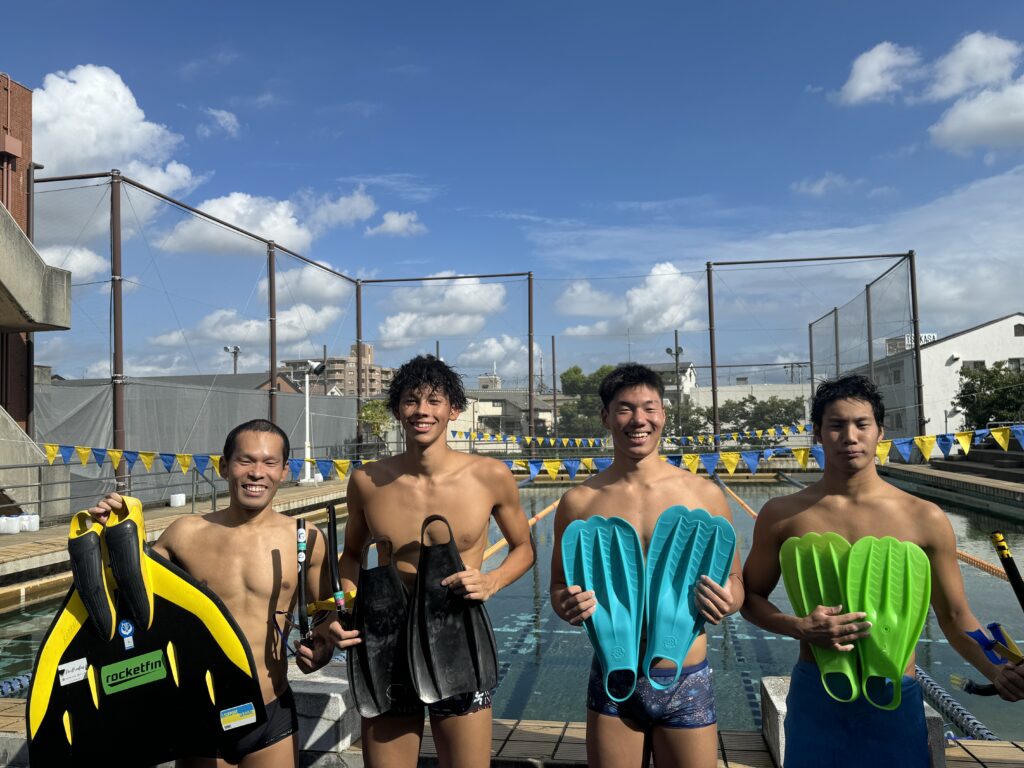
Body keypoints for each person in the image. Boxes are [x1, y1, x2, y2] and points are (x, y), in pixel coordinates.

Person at [741, 374, 1024, 768]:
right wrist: (798, 626)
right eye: (836, 425)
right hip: (817, 693)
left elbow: (956, 615)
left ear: (880, 432)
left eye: (862, 424)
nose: (850, 437)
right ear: (817, 434)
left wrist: (997, 670)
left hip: (896, 696)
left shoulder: (924, 517)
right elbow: (750, 598)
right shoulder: (783, 514)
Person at [89, 418, 357, 768]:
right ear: (224, 466)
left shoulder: (305, 538)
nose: (257, 472)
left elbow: (324, 612)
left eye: (269, 462)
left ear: (284, 471)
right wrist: (109, 537)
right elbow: (130, 599)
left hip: (271, 710)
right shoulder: (184, 534)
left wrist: (322, 647)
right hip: (199, 713)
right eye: (245, 460)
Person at [327, 355, 534, 768]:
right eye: (411, 400)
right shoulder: (367, 480)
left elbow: (524, 547)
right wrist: (343, 609)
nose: (422, 410)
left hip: (457, 632)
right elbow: (350, 555)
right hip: (385, 637)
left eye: (434, 401)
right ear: (397, 410)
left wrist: (492, 581)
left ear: (453, 410)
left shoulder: (489, 475)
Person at [549, 363, 744, 768]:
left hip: (686, 677)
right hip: (614, 677)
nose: (639, 419)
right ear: (605, 417)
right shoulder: (579, 502)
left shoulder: (704, 494)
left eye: (649, 408)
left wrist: (729, 599)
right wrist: (566, 604)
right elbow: (558, 587)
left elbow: (735, 579)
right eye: (625, 408)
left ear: (663, 414)